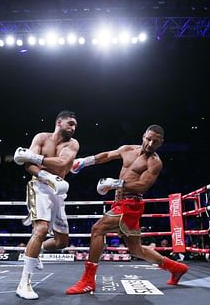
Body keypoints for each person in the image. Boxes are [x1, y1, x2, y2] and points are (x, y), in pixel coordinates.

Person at [66, 124, 189, 295]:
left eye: (156, 141)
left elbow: (143, 186)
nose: (151, 143)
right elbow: (108, 155)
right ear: (143, 135)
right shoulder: (127, 149)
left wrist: (115, 184)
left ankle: (88, 280)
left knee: (97, 229)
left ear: (161, 143)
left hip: (131, 204)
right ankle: (176, 268)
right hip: (120, 202)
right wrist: (85, 161)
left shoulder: (155, 162)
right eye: (149, 138)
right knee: (136, 249)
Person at [13, 110, 79, 299]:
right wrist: (46, 175)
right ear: (59, 122)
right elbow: (28, 166)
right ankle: (24, 283)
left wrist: (36, 159)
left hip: (57, 191)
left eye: (75, 125)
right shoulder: (41, 138)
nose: (73, 128)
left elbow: (62, 163)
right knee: (41, 230)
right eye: (70, 124)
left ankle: (37, 250)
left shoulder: (72, 144)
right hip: (39, 186)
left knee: (62, 242)